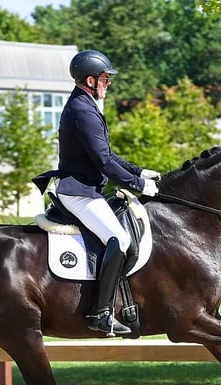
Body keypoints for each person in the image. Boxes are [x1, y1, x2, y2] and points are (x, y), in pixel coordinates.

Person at [54, 49, 160, 336]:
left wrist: (138, 171)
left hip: (86, 189)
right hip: (78, 192)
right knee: (120, 239)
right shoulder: (82, 110)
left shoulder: (86, 105)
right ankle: (101, 313)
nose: (109, 83)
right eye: (105, 78)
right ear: (90, 80)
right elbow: (103, 162)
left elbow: (108, 155)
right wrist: (138, 186)